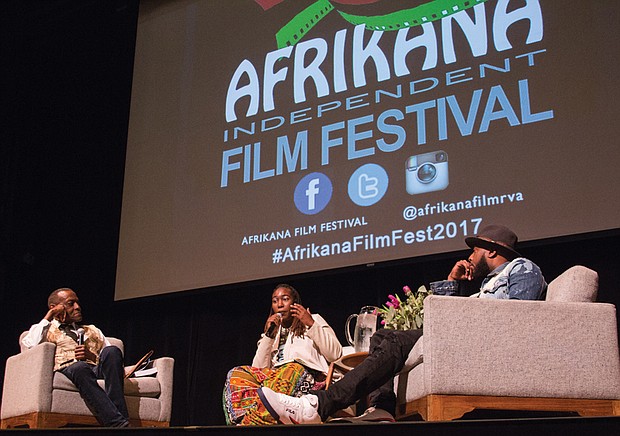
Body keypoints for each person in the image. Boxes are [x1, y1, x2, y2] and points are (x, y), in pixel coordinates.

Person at [256, 224, 547, 424]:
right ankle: (381, 408)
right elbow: (446, 312)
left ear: (492, 251)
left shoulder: (524, 269)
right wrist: (452, 281)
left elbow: (514, 317)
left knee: (392, 340)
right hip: (462, 334)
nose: (470, 256)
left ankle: (319, 404)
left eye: (475, 251)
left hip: (476, 339)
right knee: (383, 336)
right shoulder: (488, 283)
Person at [223, 283, 342, 425]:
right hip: (275, 378)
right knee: (236, 373)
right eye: (275, 301)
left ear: (295, 303)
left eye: (285, 299)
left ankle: (252, 421)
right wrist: (269, 336)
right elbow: (257, 368)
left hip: (307, 376)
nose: (279, 304)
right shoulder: (274, 331)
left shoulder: (313, 319)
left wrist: (310, 324)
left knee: (291, 368)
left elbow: (336, 354)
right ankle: (247, 418)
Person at [21, 288, 129, 427]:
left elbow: (110, 360)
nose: (78, 307)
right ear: (55, 307)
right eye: (71, 303)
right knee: (80, 367)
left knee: (113, 351)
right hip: (68, 369)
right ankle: (119, 423)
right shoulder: (45, 329)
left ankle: (120, 419)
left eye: (77, 303)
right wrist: (50, 315)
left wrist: (91, 355)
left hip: (94, 369)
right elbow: (29, 345)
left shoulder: (92, 330)